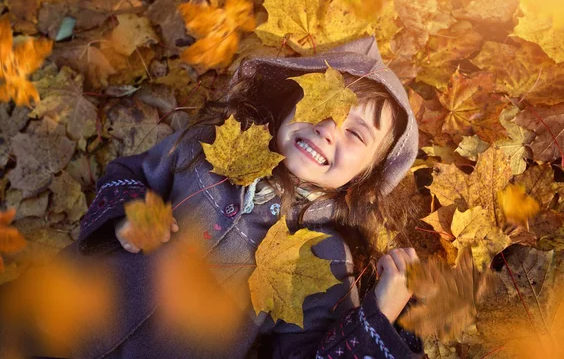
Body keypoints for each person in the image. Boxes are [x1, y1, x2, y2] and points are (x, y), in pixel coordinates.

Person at [3, 36, 422, 358]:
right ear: (292, 101)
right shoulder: (207, 147)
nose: (330, 128)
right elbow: (129, 172)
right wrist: (127, 213)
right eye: (321, 105)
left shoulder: (323, 256)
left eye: (355, 134)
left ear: (366, 176)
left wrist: (379, 316)